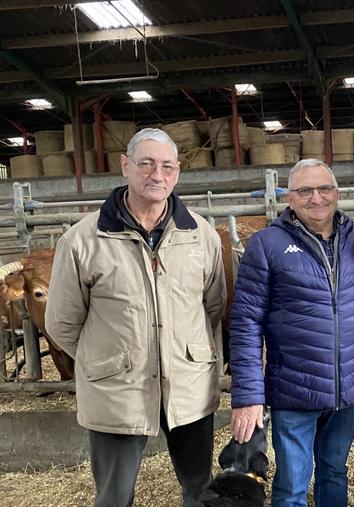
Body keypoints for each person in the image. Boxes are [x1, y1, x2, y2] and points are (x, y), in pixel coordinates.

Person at [45, 128, 227, 507]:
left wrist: (184, 350)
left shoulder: (201, 235)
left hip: (187, 385)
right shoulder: (82, 240)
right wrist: (106, 359)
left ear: (177, 174)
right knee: (113, 496)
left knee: (199, 490)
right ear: (125, 166)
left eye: (166, 166)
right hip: (117, 391)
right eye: (145, 164)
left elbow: (213, 305)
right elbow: (61, 322)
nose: (156, 175)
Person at [228, 159, 354, 507]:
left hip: (348, 387)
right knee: (292, 483)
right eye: (304, 190)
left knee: (334, 471)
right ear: (289, 198)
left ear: (337, 193)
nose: (315, 197)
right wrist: (247, 395)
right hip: (294, 389)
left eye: (324, 188)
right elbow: (245, 323)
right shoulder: (266, 245)